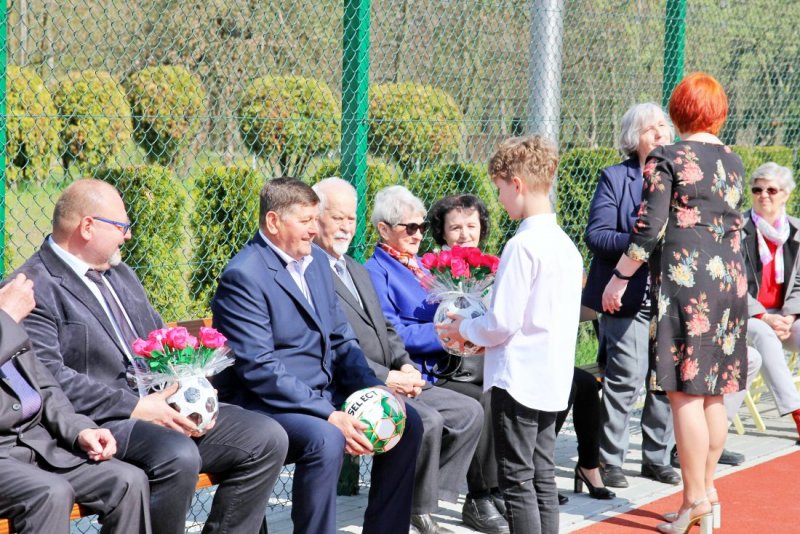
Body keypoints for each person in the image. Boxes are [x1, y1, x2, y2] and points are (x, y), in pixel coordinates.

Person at [17, 179, 289, 534]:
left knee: (267, 437)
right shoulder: (33, 287)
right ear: (88, 226)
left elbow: (159, 337)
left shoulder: (120, 274)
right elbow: (48, 377)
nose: (128, 236)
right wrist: (137, 407)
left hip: (164, 407)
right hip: (103, 422)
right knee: (178, 455)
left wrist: (192, 386)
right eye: (122, 226)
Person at [211, 177, 423, 534]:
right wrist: (330, 414)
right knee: (326, 438)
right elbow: (261, 369)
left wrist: (373, 388)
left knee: (407, 420)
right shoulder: (243, 276)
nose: (314, 229)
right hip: (268, 403)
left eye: (316, 218)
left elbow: (341, 339)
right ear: (274, 221)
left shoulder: (317, 263)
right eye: (306, 220)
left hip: (321, 392)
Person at [602, 73, 747, 534]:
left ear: (679, 111)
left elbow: (649, 226)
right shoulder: (733, 160)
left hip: (689, 281)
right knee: (714, 392)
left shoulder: (666, 157)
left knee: (684, 392)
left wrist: (620, 277)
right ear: (718, 113)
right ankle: (706, 493)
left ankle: (694, 501)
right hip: (730, 282)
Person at [311, 178, 485, 534]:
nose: (346, 227)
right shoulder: (314, 271)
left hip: (396, 372)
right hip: (356, 382)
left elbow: (387, 329)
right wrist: (387, 377)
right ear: (316, 219)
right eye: (337, 218)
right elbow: (333, 346)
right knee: (424, 421)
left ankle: (423, 500)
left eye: (350, 219)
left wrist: (404, 364)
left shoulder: (353, 268)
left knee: (469, 411)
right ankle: (415, 510)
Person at [439, 134, 583, 534]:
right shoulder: (565, 245)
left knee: (517, 479)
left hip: (517, 379)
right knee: (542, 474)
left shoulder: (522, 246)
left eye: (500, 188)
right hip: (552, 376)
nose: (500, 199)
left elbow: (501, 322)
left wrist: (463, 327)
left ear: (516, 184)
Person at [429, 193, 612, 502]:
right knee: (495, 395)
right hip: (457, 365)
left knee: (576, 381)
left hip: (492, 349)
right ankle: (506, 485)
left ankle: (575, 467)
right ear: (442, 232)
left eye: (471, 226)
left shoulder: (494, 264)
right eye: (455, 228)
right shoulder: (434, 271)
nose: (465, 234)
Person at [365, 187, 508, 530]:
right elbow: (391, 333)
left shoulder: (420, 265)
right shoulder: (377, 271)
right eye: (409, 227)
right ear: (384, 229)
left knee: (498, 389)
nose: (418, 234)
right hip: (420, 369)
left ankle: (490, 490)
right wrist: (446, 334)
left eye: (421, 227)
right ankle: (476, 498)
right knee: (480, 399)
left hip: (450, 362)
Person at [0, 273, 150, 534]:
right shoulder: (6, 313)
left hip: (35, 445)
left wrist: (80, 429)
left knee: (128, 481)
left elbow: (43, 385)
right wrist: (6, 320)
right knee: (50, 493)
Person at [583, 102, 680, 488]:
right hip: (626, 296)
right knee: (627, 376)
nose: (659, 133)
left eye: (663, 126)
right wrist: (645, 242)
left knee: (665, 378)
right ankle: (609, 460)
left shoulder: (682, 176)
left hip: (673, 294)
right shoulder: (615, 178)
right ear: (632, 138)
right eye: (648, 128)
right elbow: (597, 235)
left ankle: (656, 458)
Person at [739, 162, 800, 441]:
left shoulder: (796, 231)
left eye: (771, 190)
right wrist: (764, 316)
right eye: (757, 189)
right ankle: (797, 413)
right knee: (764, 334)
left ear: (786, 194)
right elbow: (732, 284)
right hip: (746, 315)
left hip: (785, 315)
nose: (763, 195)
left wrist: (791, 316)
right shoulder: (737, 230)